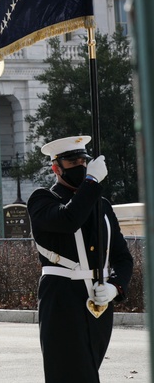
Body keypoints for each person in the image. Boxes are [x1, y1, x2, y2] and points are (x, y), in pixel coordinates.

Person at [28, 135, 134, 383]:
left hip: (99, 302)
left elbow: (122, 257)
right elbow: (69, 219)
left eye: (83, 161)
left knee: (87, 372)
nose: (80, 167)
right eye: (72, 162)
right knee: (72, 375)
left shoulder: (102, 205)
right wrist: (92, 182)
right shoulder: (43, 199)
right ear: (56, 168)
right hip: (62, 299)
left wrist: (115, 287)